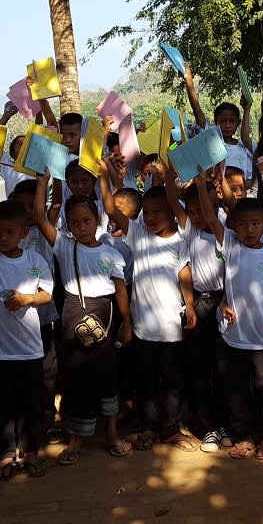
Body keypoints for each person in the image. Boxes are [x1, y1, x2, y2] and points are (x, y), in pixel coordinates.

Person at [32, 168, 134, 465]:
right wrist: (43, 184)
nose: (81, 226)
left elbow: (120, 293)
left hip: (106, 314)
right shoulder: (63, 245)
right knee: (75, 378)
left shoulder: (111, 254)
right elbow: (39, 218)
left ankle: (112, 434)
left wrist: (126, 324)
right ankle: (76, 439)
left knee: (107, 377)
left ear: (98, 220)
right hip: (72, 313)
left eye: (87, 220)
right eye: (75, 223)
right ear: (68, 225)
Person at [102, 172, 197, 452]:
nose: (150, 218)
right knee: (146, 381)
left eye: (157, 212)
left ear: (171, 213)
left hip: (171, 327)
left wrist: (190, 306)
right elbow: (110, 209)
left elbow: (185, 275)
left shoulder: (180, 241)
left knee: (171, 381)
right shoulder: (138, 235)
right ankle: (148, 427)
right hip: (142, 327)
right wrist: (104, 177)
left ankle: (169, 428)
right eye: (146, 213)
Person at [0, 188, 54, 480]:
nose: (3, 237)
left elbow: (47, 296)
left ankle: (31, 453)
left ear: (24, 233)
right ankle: (5, 454)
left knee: (31, 404)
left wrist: (28, 299)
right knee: (2, 405)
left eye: (10, 232)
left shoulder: (35, 261)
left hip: (29, 349)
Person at [198, 186, 263, 461]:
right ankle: (242, 436)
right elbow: (211, 220)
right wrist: (202, 186)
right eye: (242, 224)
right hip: (233, 334)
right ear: (233, 226)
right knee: (235, 389)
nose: (249, 229)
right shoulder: (231, 245)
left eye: (255, 223)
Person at [163, 167, 229, 452]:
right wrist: (170, 173)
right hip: (200, 304)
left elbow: (212, 214)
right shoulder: (189, 230)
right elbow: (170, 197)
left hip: (225, 301)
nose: (197, 215)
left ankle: (227, 423)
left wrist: (203, 184)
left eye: (202, 209)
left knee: (224, 368)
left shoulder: (222, 228)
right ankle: (209, 427)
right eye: (192, 211)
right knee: (200, 367)